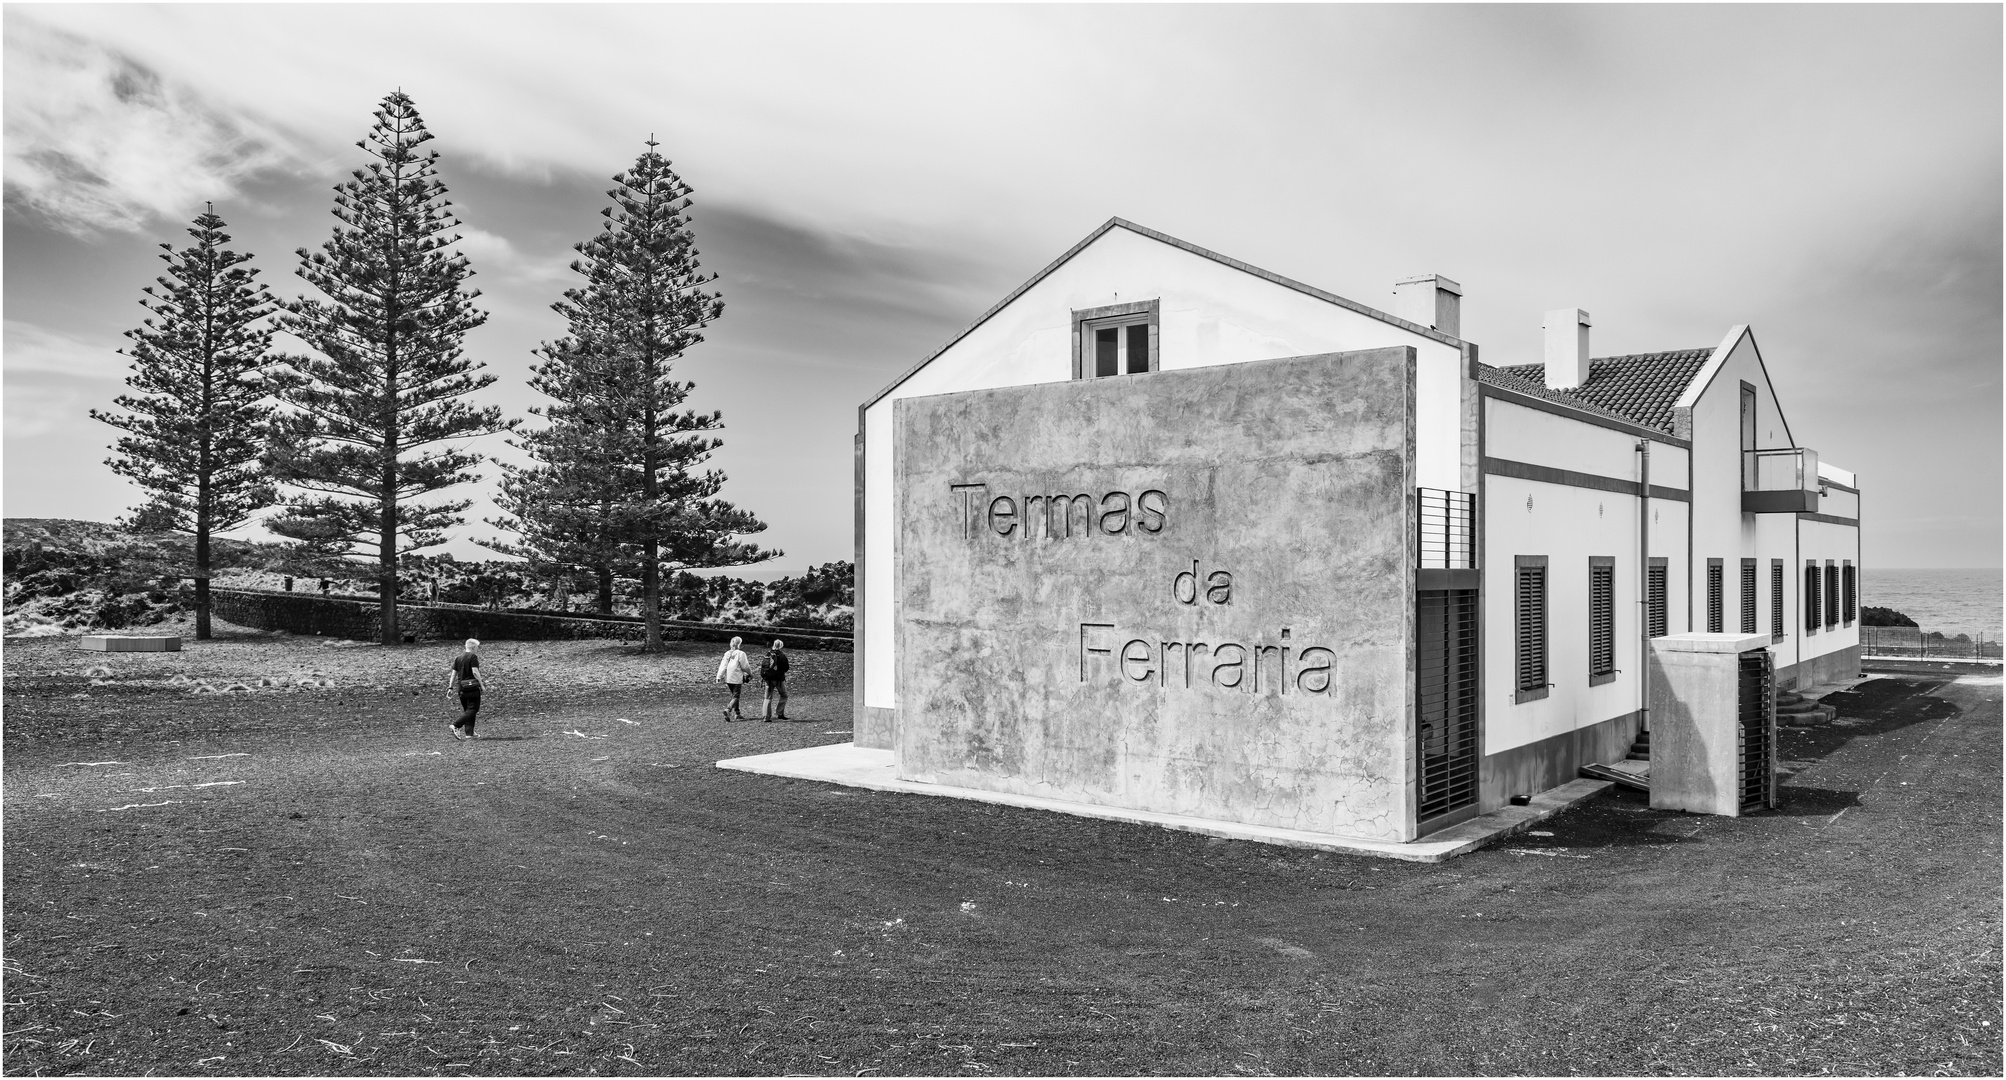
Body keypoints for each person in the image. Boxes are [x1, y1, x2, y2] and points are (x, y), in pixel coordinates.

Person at [448, 638, 484, 740]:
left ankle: (469, 734)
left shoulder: (458, 658)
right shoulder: (473, 657)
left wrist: (450, 687)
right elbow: (475, 672)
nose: (477, 649)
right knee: (473, 709)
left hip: (461, 688)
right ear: (473, 647)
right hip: (472, 688)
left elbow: (453, 674)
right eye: (477, 647)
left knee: (468, 711)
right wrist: (481, 685)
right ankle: (456, 725)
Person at [715, 636, 750, 721]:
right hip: (737, 678)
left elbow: (723, 665)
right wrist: (750, 673)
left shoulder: (727, 653)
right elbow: (745, 666)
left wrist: (719, 676)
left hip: (728, 678)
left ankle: (737, 713)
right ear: (739, 644)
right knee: (736, 696)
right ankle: (728, 709)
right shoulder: (741, 654)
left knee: (734, 696)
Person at [760, 638, 790, 721]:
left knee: (767, 697)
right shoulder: (782, 655)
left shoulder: (768, 654)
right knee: (784, 695)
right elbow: (786, 668)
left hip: (767, 678)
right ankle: (780, 713)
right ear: (781, 646)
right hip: (778, 679)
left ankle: (766, 716)